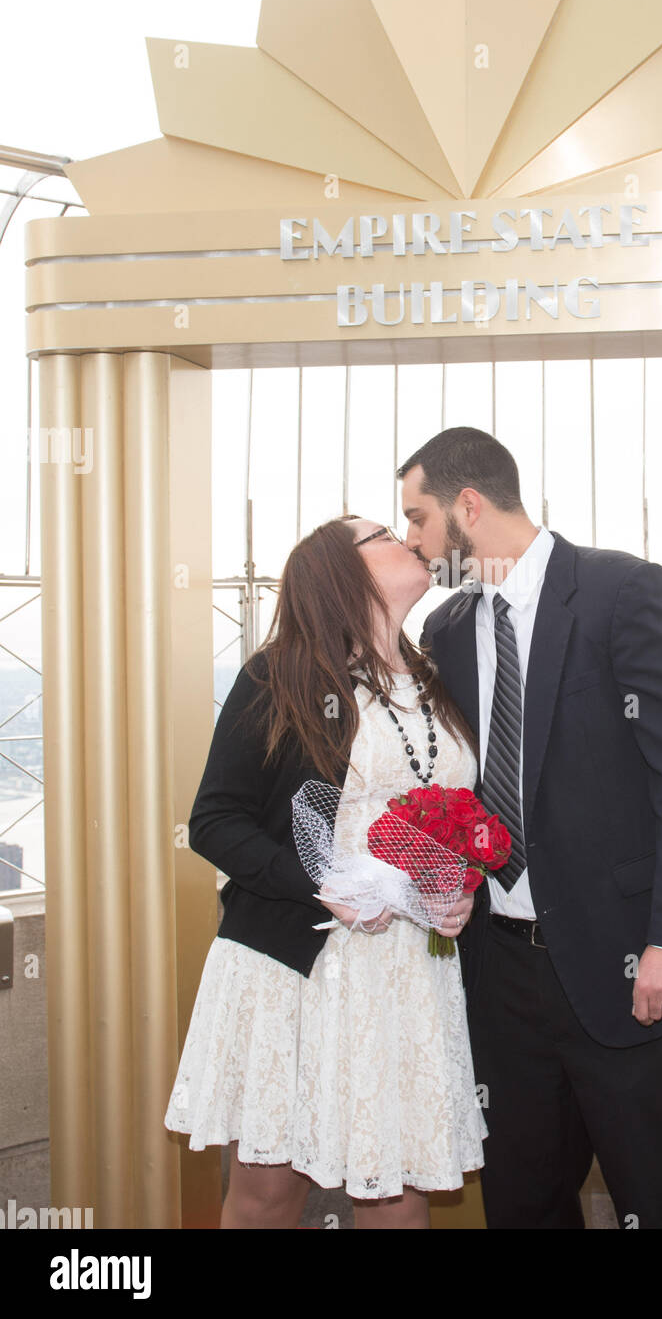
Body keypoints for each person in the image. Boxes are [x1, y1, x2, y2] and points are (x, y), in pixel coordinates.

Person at [397, 427, 662, 1230]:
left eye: (419, 518)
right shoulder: (447, 630)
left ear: (470, 506)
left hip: (634, 966)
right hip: (502, 981)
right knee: (524, 1208)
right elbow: (456, 788)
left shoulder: (623, 590)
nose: (415, 541)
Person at [164, 515, 485, 1229]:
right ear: (343, 570)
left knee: (397, 1189)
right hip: (296, 966)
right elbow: (215, 820)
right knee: (271, 1192)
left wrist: (457, 881)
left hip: (408, 974)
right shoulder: (280, 674)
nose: (408, 538)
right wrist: (322, 885)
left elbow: (451, 811)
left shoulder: (435, 676)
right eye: (382, 533)